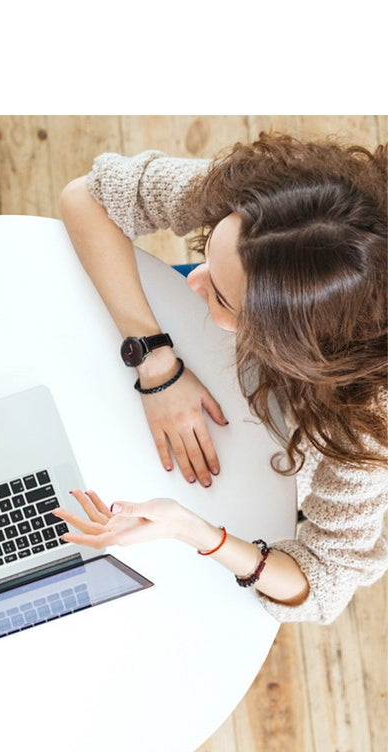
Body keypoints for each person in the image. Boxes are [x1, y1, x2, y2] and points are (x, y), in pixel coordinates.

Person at [56, 132, 387, 625]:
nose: (193, 278)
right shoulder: (280, 207)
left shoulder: (367, 422)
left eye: (223, 297)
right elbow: (88, 196)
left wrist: (195, 531)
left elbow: (322, 581)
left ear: (292, 345)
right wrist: (156, 361)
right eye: (210, 250)